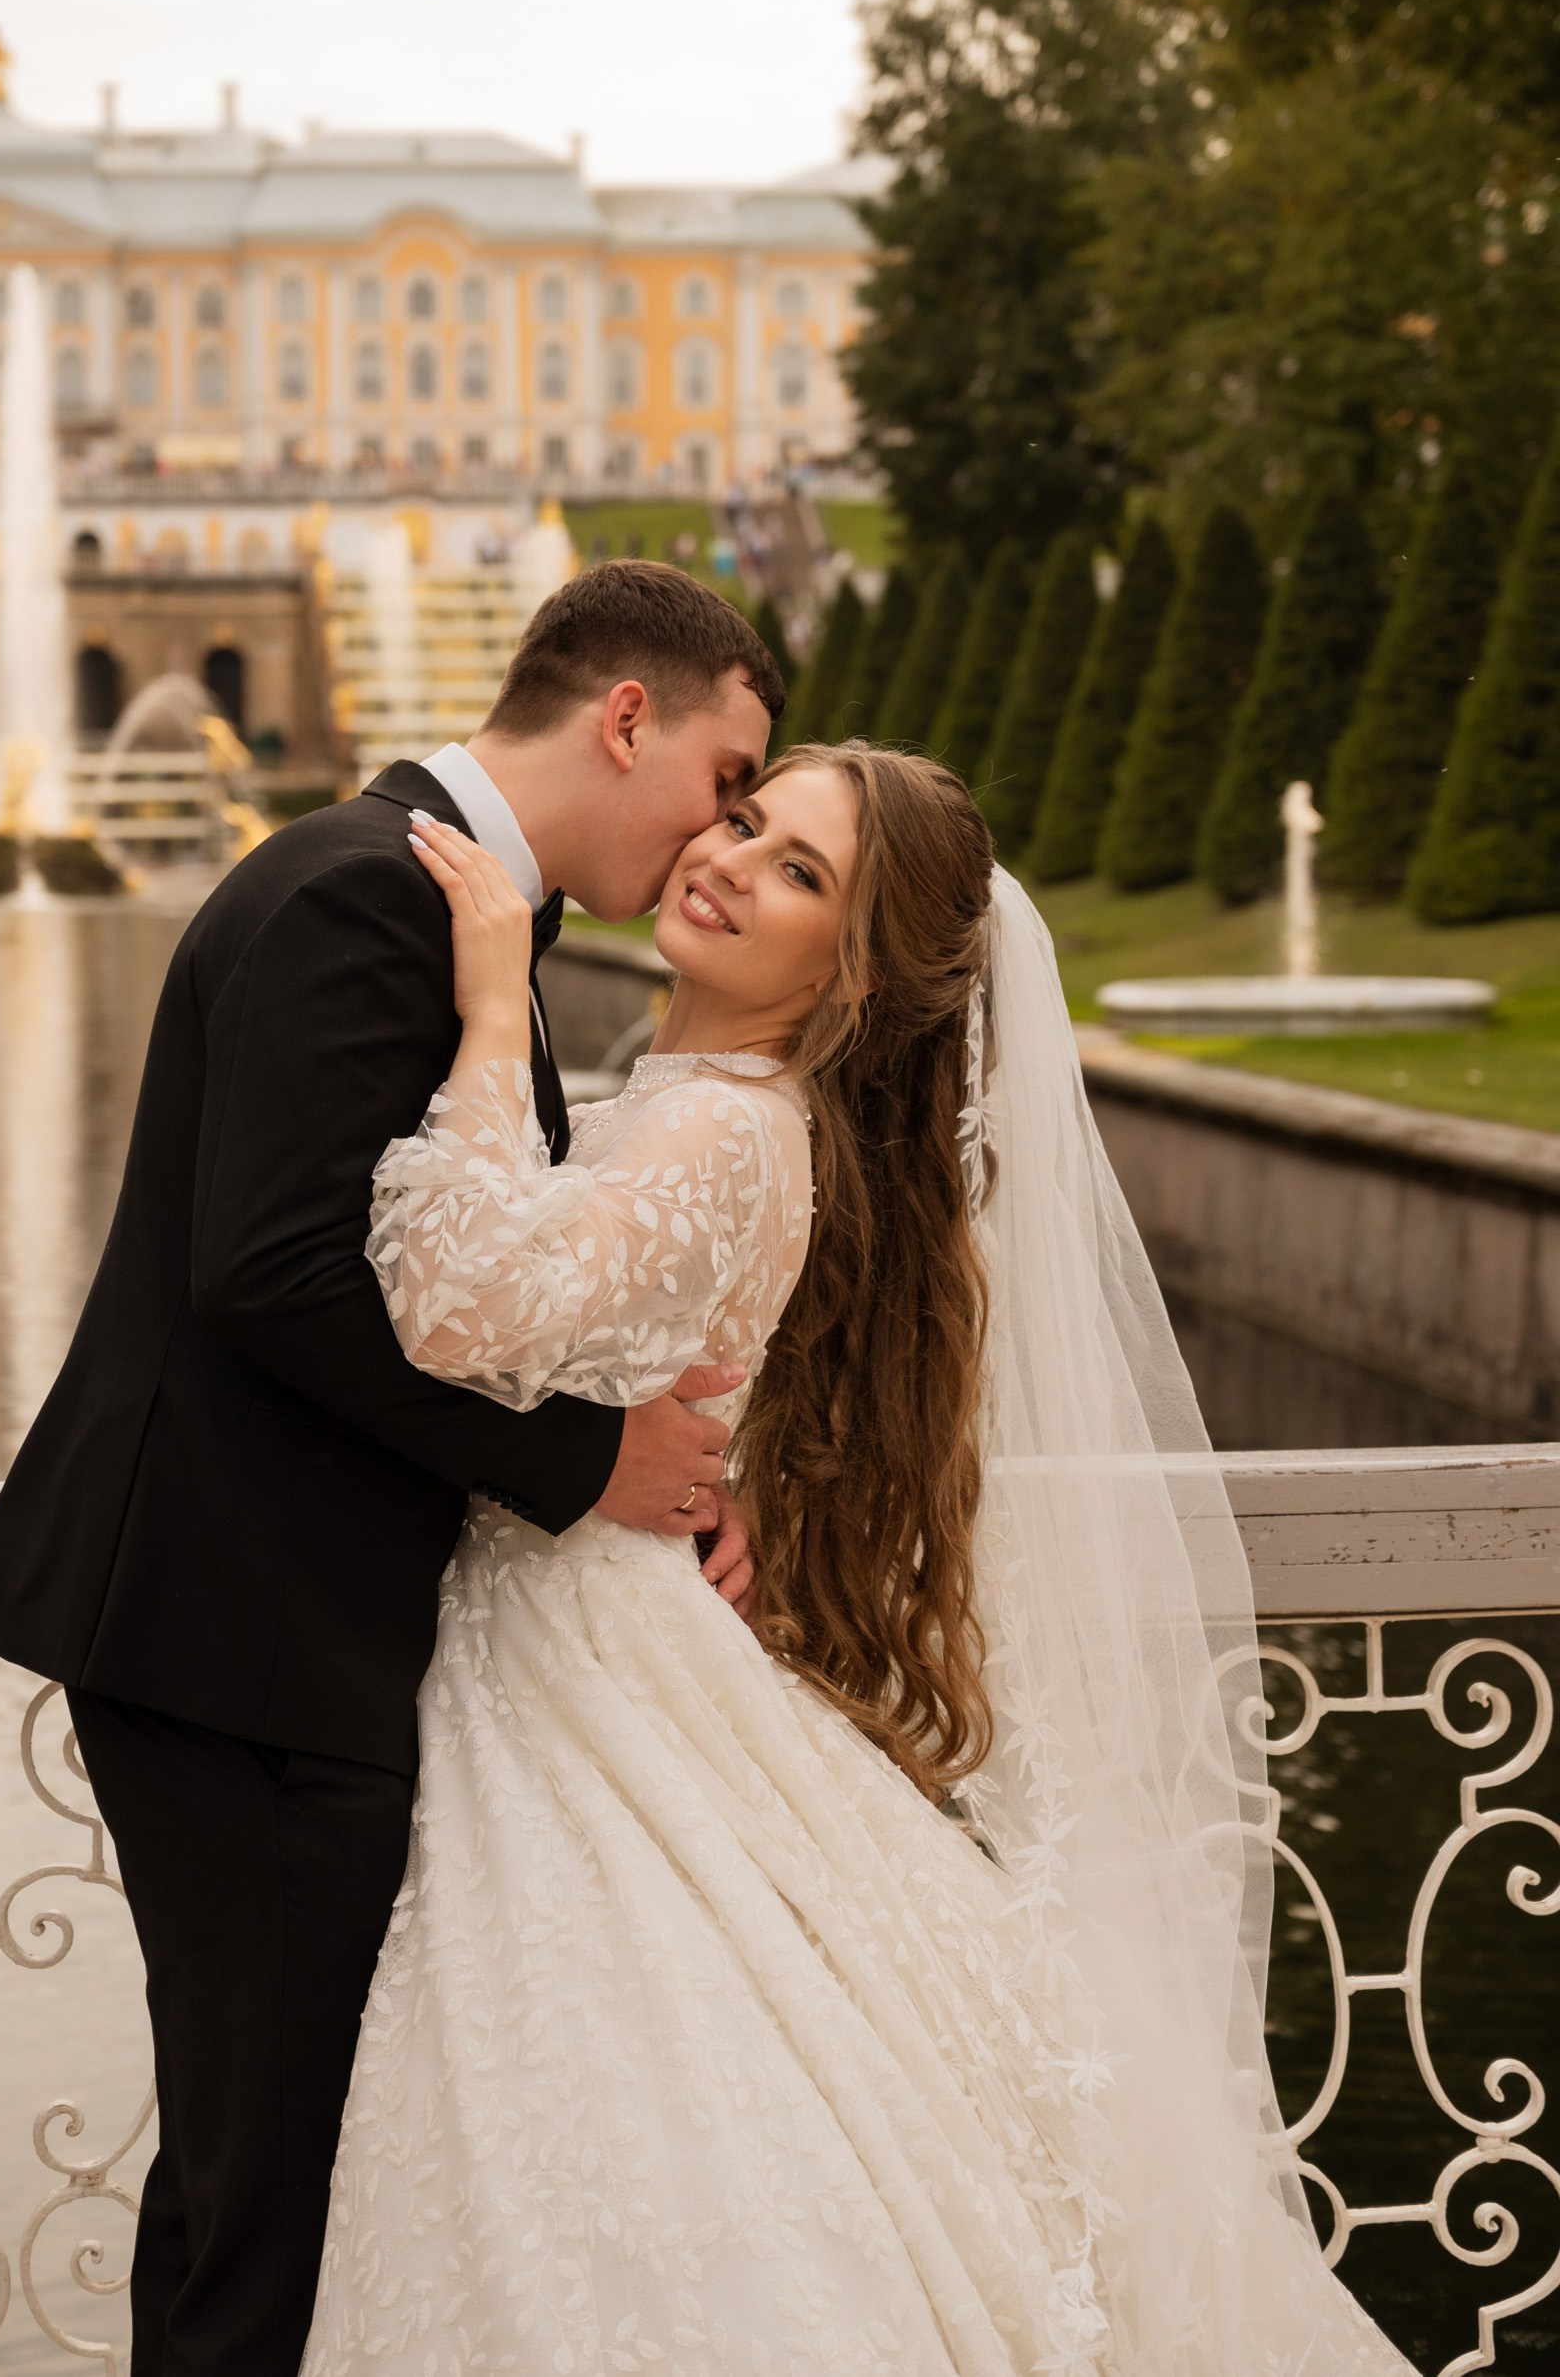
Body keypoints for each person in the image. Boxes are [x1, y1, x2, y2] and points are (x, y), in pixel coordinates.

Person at [302, 742, 1416, 2376]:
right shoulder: (707, 1108)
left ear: (860, 970)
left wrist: (482, 1012)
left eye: (801, 871)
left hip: (580, 1672)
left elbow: (466, 1308)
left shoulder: (729, 1130)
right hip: (587, 1639)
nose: (734, 860)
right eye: (747, 820)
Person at [0, 560, 785, 2377]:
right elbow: (277, 1278)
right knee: (270, 2195)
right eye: (726, 777)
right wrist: (588, 1459)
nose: (723, 829)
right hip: (240, 1635)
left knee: (268, 2178)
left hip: (263, 1630)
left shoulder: (412, 887)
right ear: (626, 718)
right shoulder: (363, 893)